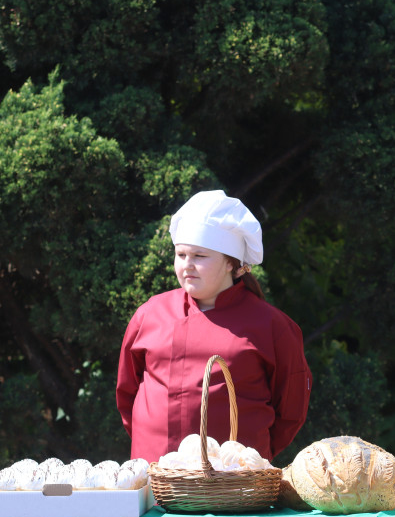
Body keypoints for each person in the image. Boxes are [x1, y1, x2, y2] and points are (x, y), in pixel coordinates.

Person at [116, 190, 312, 464]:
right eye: (180, 254)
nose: (187, 266)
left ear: (232, 263)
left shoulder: (272, 326)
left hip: (234, 488)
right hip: (154, 477)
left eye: (199, 256)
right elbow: (127, 393)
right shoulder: (150, 314)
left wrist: (248, 456)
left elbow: (290, 413)